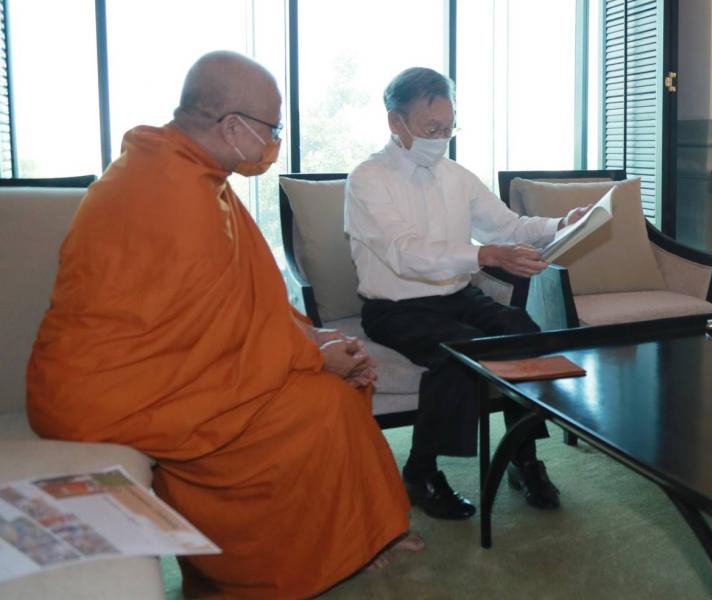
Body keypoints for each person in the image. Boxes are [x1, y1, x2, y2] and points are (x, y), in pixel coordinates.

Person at [27, 51, 421, 599]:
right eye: (272, 129)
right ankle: (260, 571)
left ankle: (362, 535)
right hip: (113, 391)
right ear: (233, 127)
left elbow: (236, 307)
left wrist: (313, 338)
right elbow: (218, 336)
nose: (276, 142)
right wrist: (314, 356)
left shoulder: (180, 166)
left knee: (334, 390)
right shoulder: (175, 195)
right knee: (322, 405)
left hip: (162, 367)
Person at [344, 67, 589, 520]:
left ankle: (522, 457)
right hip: (394, 307)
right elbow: (405, 253)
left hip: (455, 296)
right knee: (460, 353)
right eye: (430, 128)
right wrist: (485, 256)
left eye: (448, 128)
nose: (441, 138)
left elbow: (508, 226)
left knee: (522, 330)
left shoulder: (456, 175)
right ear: (395, 121)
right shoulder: (368, 180)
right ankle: (420, 472)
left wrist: (559, 224)